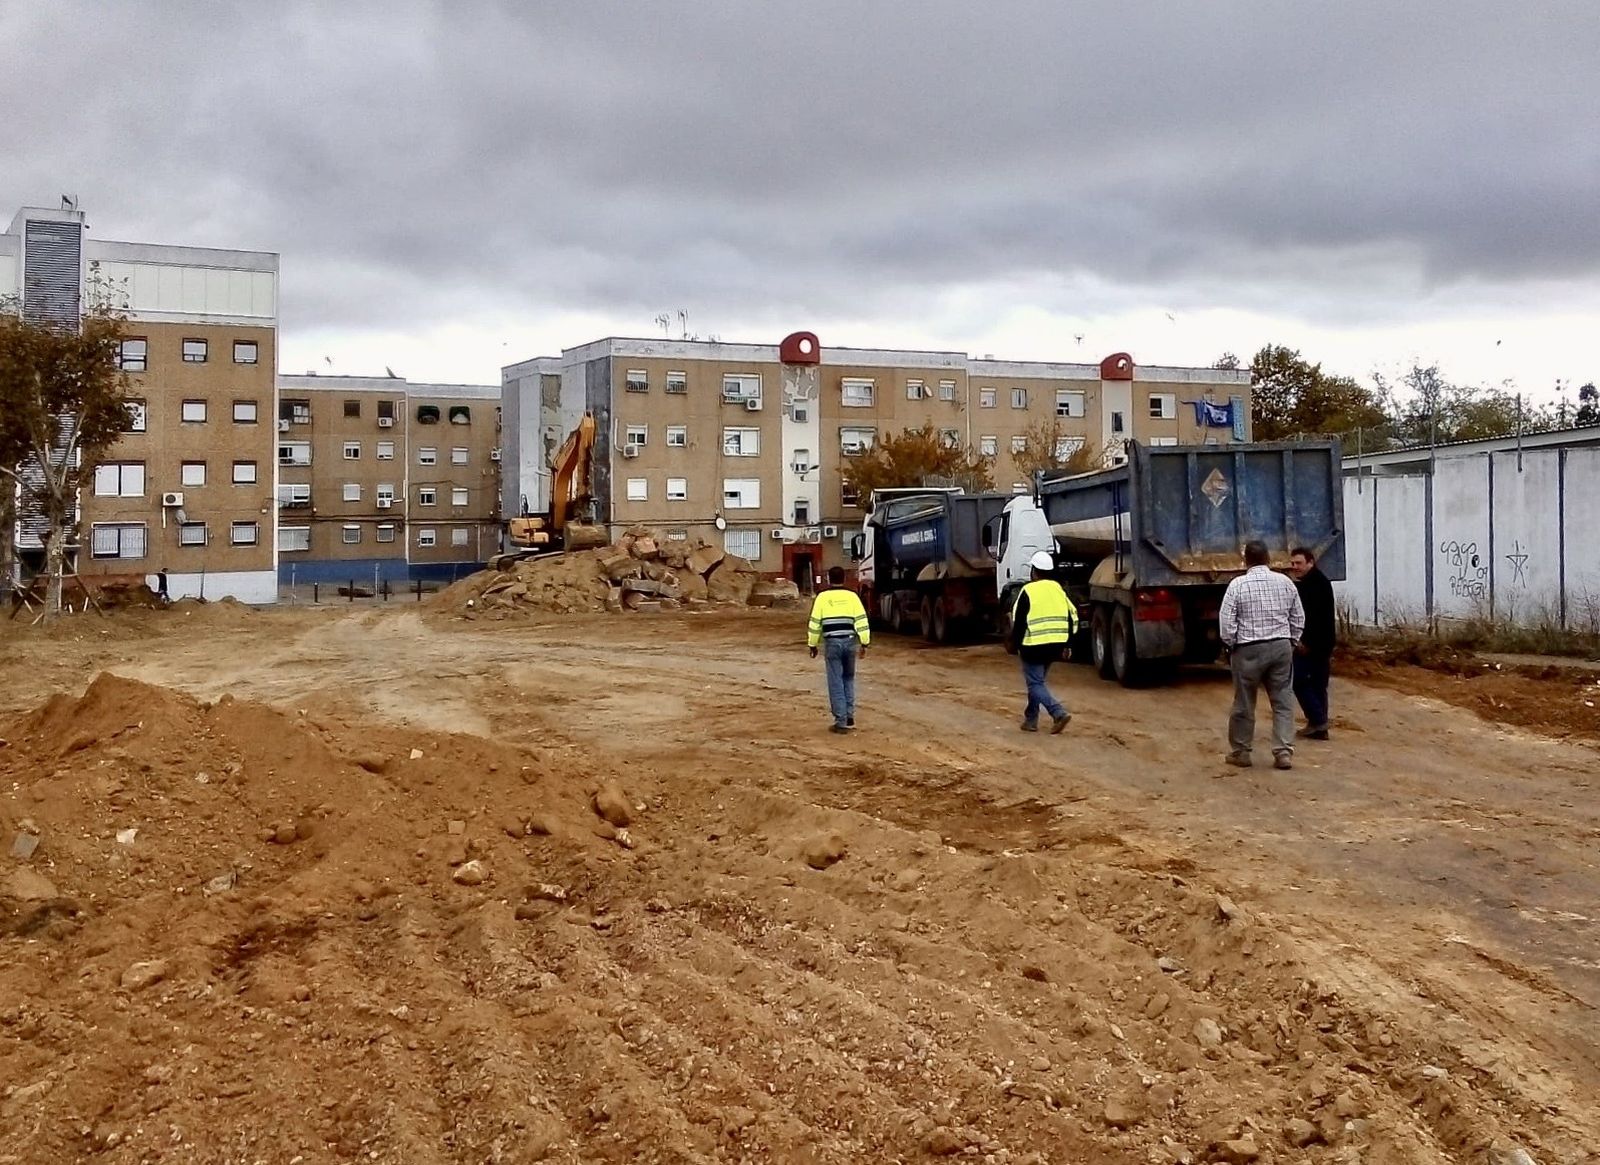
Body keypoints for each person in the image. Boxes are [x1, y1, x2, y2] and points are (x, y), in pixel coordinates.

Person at [1219, 541, 1305, 770]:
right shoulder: (1285, 583)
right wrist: (1292, 641)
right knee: (1282, 701)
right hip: (1280, 647)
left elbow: (1226, 624)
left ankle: (1241, 751)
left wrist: (1231, 645)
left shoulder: (1237, 585)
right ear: (1268, 558)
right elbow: (1298, 617)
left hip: (1247, 649)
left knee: (1244, 702)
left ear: (1246, 560)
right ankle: (1283, 752)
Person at [1007, 550, 1077, 734]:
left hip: (1033, 646)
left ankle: (1058, 713)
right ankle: (1031, 720)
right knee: (1037, 682)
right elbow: (1072, 617)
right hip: (1055, 646)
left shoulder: (1028, 590)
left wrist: (1014, 644)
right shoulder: (1058, 589)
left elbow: (1020, 621)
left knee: (1035, 683)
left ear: (1034, 571)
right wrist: (1068, 644)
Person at [807, 566, 870, 734]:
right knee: (848, 678)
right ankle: (849, 716)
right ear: (844, 578)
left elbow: (815, 624)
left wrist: (812, 644)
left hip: (832, 643)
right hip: (850, 642)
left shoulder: (822, 598)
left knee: (836, 681)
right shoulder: (853, 597)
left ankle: (840, 721)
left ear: (828, 578)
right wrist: (864, 643)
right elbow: (861, 621)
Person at [1288, 546, 1335, 740]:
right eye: (1292, 564)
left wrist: (1304, 642)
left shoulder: (1315, 585)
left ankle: (1318, 720)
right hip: (1323, 642)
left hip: (1314, 644)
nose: (1295, 567)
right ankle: (1319, 727)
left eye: (1299, 563)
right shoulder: (1312, 582)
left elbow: (1315, 618)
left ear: (1310, 562)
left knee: (1298, 679)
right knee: (1317, 683)